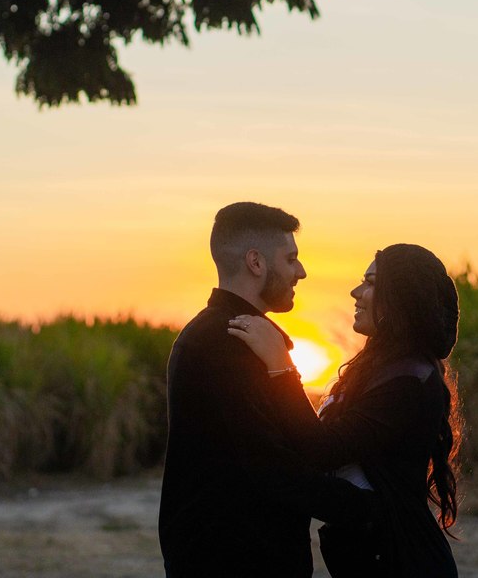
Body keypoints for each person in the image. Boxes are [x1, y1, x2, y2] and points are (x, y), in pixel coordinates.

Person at [158, 201, 374, 577]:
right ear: (256, 262)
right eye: (291, 259)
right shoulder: (225, 342)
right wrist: (368, 509)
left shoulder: (222, 334)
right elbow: (270, 464)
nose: (301, 272)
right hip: (233, 560)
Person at [228, 243, 462, 578]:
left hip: (404, 562)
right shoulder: (381, 368)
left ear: (401, 297)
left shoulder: (410, 381)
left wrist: (281, 366)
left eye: (370, 283)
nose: (355, 292)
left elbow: (322, 449)